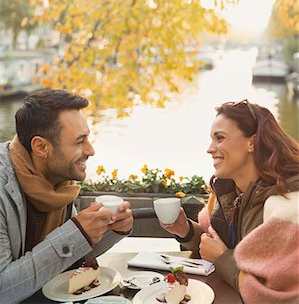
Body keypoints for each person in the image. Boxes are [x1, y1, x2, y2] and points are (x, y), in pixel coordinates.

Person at [0, 89, 134, 303]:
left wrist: (111, 229)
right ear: (41, 147)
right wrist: (76, 234)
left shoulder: (59, 184)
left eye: (87, 138)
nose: (90, 150)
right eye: (79, 141)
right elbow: (3, 289)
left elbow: (67, 257)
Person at [160, 99, 299, 303]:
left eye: (220, 138)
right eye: (212, 139)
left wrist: (222, 259)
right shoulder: (229, 191)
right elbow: (218, 245)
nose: (210, 148)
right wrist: (187, 231)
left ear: (251, 142)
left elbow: (277, 295)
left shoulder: (286, 208)